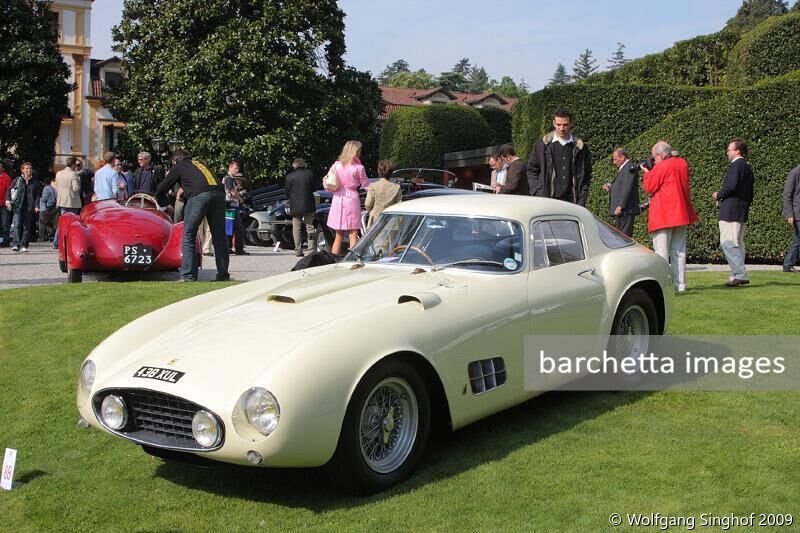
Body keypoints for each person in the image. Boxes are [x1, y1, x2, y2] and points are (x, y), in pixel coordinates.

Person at [155, 149, 229, 281]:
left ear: (176, 159)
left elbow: (161, 188)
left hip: (200, 196)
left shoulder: (179, 166)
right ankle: (223, 275)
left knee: (189, 234)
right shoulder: (200, 164)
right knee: (219, 237)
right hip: (219, 194)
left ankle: (188, 275)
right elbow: (199, 181)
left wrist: (164, 204)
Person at [642, 141, 699, 292]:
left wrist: (648, 173)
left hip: (663, 214)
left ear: (660, 156)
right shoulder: (682, 163)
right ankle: (681, 285)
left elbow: (649, 187)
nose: (653, 160)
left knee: (662, 253)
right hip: (680, 213)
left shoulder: (661, 166)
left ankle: (663, 287)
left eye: (654, 158)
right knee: (679, 251)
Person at [526, 107, 592, 206]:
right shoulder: (542, 145)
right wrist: (537, 190)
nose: (561, 128)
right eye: (558, 124)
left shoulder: (581, 147)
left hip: (573, 202)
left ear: (571, 123)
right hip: (546, 201)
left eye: (565, 125)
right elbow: (531, 169)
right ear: (553, 123)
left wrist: (583, 196)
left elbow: (587, 174)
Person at [713, 139, 754, 287]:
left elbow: (730, 186)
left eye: (730, 149)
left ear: (737, 151)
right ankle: (736, 274)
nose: (727, 152)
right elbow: (750, 193)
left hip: (731, 210)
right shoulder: (747, 168)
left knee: (728, 243)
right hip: (742, 209)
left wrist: (719, 194)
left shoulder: (736, 166)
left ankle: (740, 274)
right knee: (738, 244)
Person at [326, 140, 370, 256]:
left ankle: (333, 258)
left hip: (338, 199)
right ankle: (352, 259)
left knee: (338, 234)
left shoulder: (336, 165)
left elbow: (328, 181)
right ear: (355, 151)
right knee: (353, 233)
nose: (360, 153)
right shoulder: (359, 168)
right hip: (351, 199)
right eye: (359, 150)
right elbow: (366, 186)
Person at [602, 147, 640, 237]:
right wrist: (610, 189)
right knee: (621, 236)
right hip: (623, 210)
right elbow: (622, 187)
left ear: (622, 157)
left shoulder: (629, 168)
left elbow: (627, 188)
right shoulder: (625, 168)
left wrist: (620, 206)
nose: (614, 162)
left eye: (615, 159)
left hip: (625, 210)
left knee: (624, 237)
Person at [285, 157, 318, 256]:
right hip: (308, 203)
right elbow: (315, 187)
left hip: (295, 205)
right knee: (310, 227)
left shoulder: (289, 176)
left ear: (294, 165)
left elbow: (287, 192)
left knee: (296, 227)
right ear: (304, 164)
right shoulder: (310, 173)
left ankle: (298, 249)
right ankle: (311, 249)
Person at [5, 162, 40, 252]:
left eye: (30, 168)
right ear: (22, 170)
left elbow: (37, 195)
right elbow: (9, 190)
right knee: (16, 225)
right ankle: (16, 244)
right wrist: (8, 200)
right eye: (27, 168)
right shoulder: (18, 180)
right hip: (18, 205)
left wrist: (36, 205)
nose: (29, 170)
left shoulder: (35, 181)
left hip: (28, 207)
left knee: (26, 226)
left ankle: (24, 245)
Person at [53, 156, 82, 249]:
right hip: (72, 201)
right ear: (73, 164)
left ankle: (56, 242)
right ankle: (68, 241)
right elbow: (76, 188)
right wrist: (79, 181)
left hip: (62, 200)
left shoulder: (58, 173)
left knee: (62, 223)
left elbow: (57, 187)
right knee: (72, 222)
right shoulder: (73, 174)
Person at [222, 160, 248, 255]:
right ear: (230, 167)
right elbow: (232, 191)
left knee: (230, 228)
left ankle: (228, 247)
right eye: (235, 168)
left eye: (237, 169)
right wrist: (240, 198)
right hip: (231, 205)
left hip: (228, 206)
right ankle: (239, 249)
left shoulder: (228, 178)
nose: (236, 170)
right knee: (238, 228)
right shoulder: (229, 178)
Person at [365, 159, 401, 228]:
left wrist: (370, 211)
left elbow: (368, 204)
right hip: (392, 221)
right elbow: (399, 204)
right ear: (391, 172)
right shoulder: (397, 187)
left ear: (379, 171)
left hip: (375, 219)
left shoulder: (373, 186)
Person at [782, 163, 800, 273]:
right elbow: (787, 194)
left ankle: (788, 264)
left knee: (798, 239)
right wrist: (789, 214)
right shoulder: (795, 172)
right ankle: (788, 264)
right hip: (797, 213)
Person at [38, 175, 59, 242]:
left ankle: (41, 238)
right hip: (53, 208)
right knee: (51, 223)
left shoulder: (46, 188)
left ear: (44, 182)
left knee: (42, 223)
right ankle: (51, 236)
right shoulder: (53, 188)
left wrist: (40, 199)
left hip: (46, 208)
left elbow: (44, 198)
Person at [0, 161, 12, 247]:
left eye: (0, 166)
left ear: (3, 168)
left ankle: (6, 241)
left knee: (5, 223)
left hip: (4, 204)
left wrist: (7, 201)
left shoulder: (7, 178)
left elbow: (9, 191)